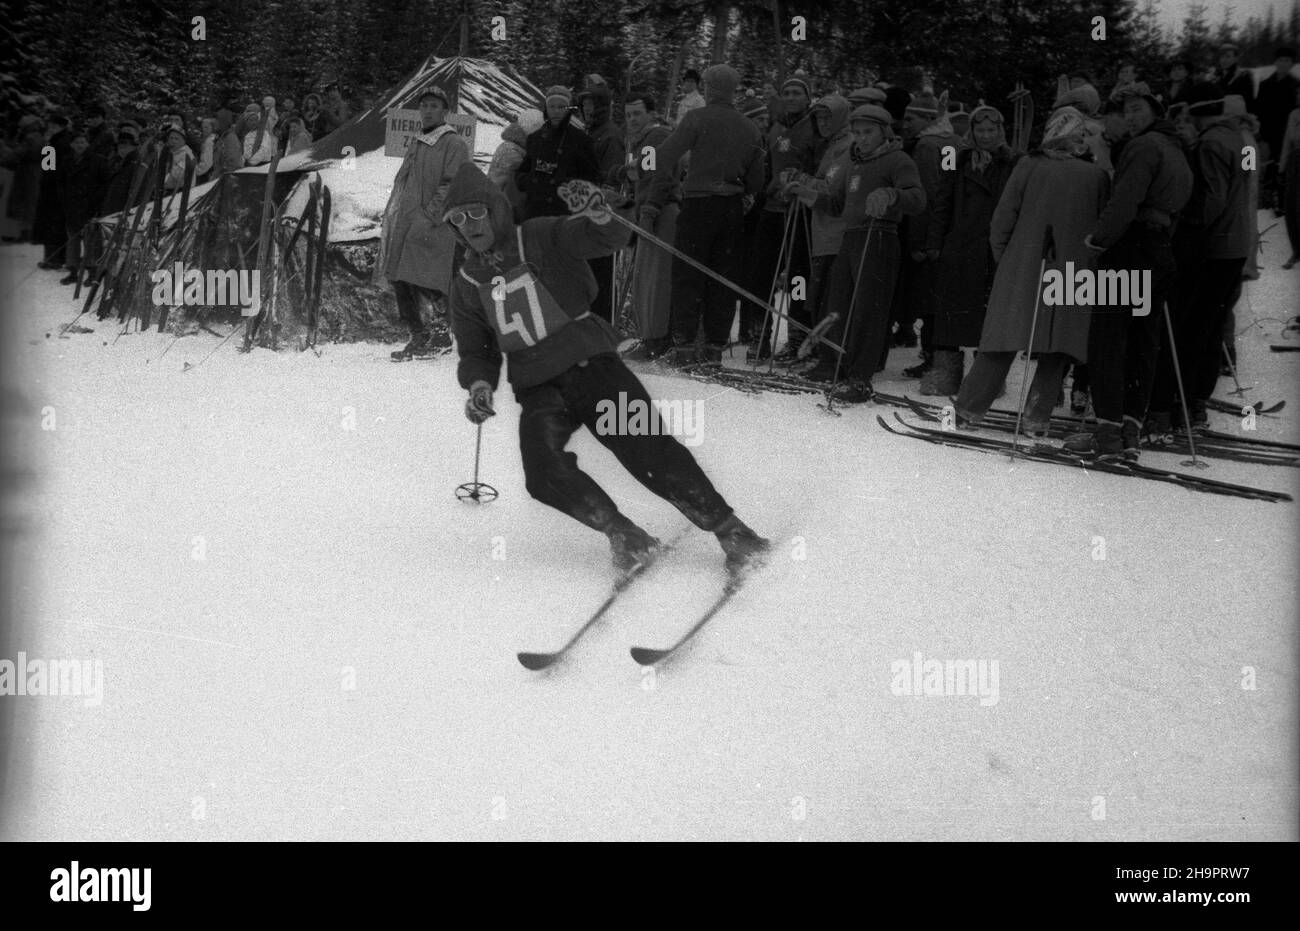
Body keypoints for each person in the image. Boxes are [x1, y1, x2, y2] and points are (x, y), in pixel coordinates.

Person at [442, 165, 770, 577]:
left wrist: (601, 213)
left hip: (592, 366)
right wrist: (478, 384)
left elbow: (605, 238)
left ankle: (732, 531)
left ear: (495, 209)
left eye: (476, 212)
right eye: (458, 218)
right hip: (538, 386)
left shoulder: (539, 236)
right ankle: (625, 535)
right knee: (543, 474)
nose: (469, 224)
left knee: (646, 448)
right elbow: (477, 349)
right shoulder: (467, 283)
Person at [951, 107, 1112, 433]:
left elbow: (1003, 218)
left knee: (1002, 339)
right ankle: (1037, 418)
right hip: (1074, 270)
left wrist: (1007, 259)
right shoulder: (1096, 176)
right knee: (1058, 345)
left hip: (1022, 263)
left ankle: (968, 409)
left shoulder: (1029, 164)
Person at [1063, 85, 1192, 460]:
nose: (1131, 117)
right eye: (1127, 111)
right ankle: (1130, 432)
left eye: (1137, 109)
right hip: (1159, 249)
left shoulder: (1142, 146)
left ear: (1154, 111)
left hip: (1128, 248)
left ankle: (1107, 434)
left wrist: (1098, 240)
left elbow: (1125, 201)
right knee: (1142, 343)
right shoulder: (1176, 148)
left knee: (1108, 340)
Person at [787, 103, 925, 401]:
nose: (861, 138)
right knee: (838, 303)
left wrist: (891, 195)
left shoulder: (897, 160)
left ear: (884, 132)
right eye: (857, 132)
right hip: (850, 238)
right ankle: (833, 364)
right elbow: (836, 204)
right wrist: (808, 194)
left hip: (879, 236)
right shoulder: (854, 163)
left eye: (868, 132)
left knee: (868, 309)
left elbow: (917, 198)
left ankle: (860, 376)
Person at [640, 63, 765, 364]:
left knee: (688, 274)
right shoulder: (750, 128)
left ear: (709, 88)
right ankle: (713, 349)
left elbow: (666, 155)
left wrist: (637, 166)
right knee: (722, 278)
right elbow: (757, 181)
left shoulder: (696, 118)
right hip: (731, 210)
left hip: (697, 206)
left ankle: (684, 347)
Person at [1146, 83, 1251, 436]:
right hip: (1237, 242)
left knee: (1194, 329)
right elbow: (1245, 186)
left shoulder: (1210, 144)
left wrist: (1185, 227)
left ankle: (1185, 401)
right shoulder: (1240, 139)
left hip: (1215, 246)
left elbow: (1212, 199)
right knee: (1212, 325)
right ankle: (1196, 401)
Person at [923, 105, 1022, 396]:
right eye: (981, 130)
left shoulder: (1015, 162)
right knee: (949, 317)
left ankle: (987, 382)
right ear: (972, 131)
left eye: (992, 130)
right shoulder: (956, 159)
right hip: (959, 247)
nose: (986, 135)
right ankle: (946, 375)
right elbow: (942, 202)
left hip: (994, 249)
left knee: (989, 317)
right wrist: (934, 242)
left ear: (1000, 131)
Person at [377, 86, 470, 361]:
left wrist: (430, 215)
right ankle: (418, 335)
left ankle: (440, 334)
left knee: (429, 277)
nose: (428, 111)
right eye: (424, 106)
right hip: (407, 220)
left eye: (434, 106)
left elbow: (452, 183)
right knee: (399, 277)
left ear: (445, 112)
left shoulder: (454, 143)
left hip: (435, 224)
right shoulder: (418, 141)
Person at [746, 75, 820, 360]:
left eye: (796, 93)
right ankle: (759, 337)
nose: (790, 97)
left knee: (798, 277)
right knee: (761, 274)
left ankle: (797, 337)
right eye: (786, 93)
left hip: (799, 210)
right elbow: (768, 162)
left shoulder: (814, 126)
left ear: (807, 97)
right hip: (773, 208)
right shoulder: (776, 127)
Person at [773, 94, 852, 363]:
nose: (823, 123)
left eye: (828, 117)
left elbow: (831, 186)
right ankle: (798, 333)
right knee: (799, 278)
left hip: (822, 220)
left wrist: (801, 180)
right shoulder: (791, 133)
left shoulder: (841, 145)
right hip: (805, 214)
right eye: (820, 118)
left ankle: (811, 340)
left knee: (815, 284)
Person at [615, 93, 678, 358]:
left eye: (637, 114)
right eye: (628, 115)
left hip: (659, 212)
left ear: (651, 114)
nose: (632, 119)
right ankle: (650, 336)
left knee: (656, 278)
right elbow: (645, 172)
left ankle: (656, 339)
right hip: (649, 210)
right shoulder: (642, 140)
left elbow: (659, 175)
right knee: (647, 276)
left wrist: (650, 210)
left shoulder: (656, 136)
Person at [577, 82, 626, 323]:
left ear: (602, 106)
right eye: (584, 104)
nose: (587, 109)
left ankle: (603, 323)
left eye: (591, 104)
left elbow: (611, 179)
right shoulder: (590, 132)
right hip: (583, 209)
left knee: (600, 273)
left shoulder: (610, 135)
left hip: (599, 213)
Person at [516, 85, 599, 220]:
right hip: (534, 215)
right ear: (546, 109)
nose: (556, 111)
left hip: (566, 218)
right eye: (552, 106)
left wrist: (567, 185)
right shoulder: (534, 139)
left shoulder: (582, 140)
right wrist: (529, 182)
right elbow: (521, 173)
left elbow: (593, 179)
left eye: (561, 107)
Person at [58, 129, 111, 286]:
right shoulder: (66, 161)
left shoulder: (98, 160)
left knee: (91, 241)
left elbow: (105, 183)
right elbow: (60, 183)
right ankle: (73, 271)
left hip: (90, 206)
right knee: (72, 240)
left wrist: (95, 201)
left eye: (82, 142)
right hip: (72, 206)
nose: (79, 145)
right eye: (76, 142)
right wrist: (64, 199)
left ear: (87, 143)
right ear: (71, 145)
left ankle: (92, 271)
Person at [1255, 48, 1298, 211]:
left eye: (1287, 60)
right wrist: (1260, 132)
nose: (1283, 64)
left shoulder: (1296, 85)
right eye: (1281, 60)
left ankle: (1281, 204)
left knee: (1283, 170)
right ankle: (1264, 202)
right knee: (1264, 168)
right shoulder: (1265, 84)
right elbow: (1258, 110)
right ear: (1275, 62)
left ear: (1292, 64)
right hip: (1266, 134)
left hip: (1286, 135)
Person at [488, 108, 542, 222]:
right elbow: (525, 175)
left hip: (504, 206)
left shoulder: (515, 147)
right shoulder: (511, 150)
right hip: (504, 209)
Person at [34, 112, 72, 270]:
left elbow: (47, 168)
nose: (51, 128)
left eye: (54, 125)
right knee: (57, 225)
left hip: (53, 189)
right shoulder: (63, 141)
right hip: (58, 188)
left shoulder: (56, 143)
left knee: (52, 224)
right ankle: (57, 258)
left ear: (61, 126)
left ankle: (53, 259)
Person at [1281, 86, 1300, 268]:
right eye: (1298, 93)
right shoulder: (1294, 115)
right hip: (1295, 162)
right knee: (1292, 208)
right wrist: (1282, 166)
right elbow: (1288, 141)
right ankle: (1296, 250)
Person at [1216, 44, 1256, 109]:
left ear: (1236, 59)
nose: (1223, 60)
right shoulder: (1216, 77)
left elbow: (1249, 104)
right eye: (1221, 57)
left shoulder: (1243, 77)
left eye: (1228, 56)